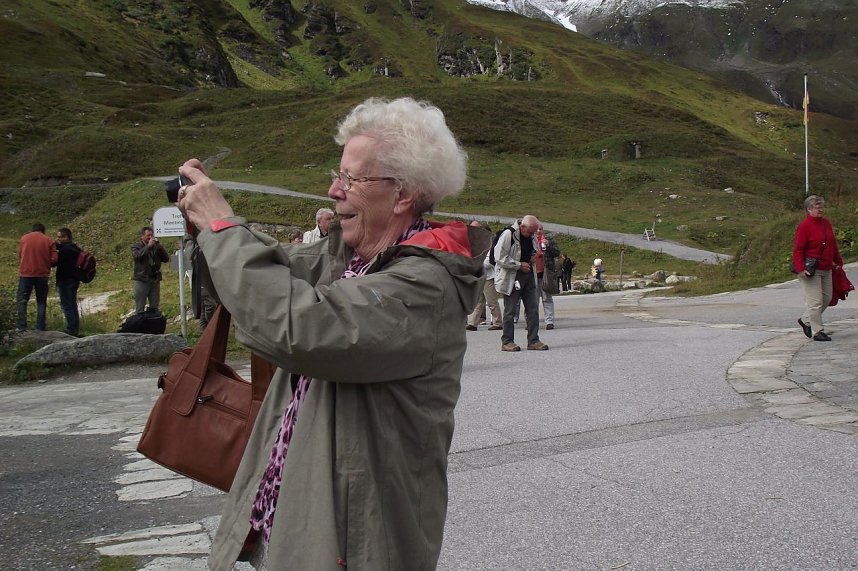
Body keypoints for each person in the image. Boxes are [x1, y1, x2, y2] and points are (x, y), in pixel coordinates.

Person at [176, 96, 487, 570]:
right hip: (303, 520)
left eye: (350, 178)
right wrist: (208, 223)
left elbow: (297, 325)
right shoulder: (349, 261)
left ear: (402, 194)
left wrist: (220, 226)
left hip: (355, 542)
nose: (333, 190)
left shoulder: (422, 287)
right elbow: (271, 267)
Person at [494, 215, 549, 352]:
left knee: (533, 308)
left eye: (534, 232)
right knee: (510, 310)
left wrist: (533, 256)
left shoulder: (531, 235)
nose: (532, 235)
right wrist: (519, 265)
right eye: (530, 232)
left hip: (529, 274)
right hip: (513, 276)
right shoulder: (508, 235)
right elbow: (499, 257)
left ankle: (533, 340)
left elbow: (535, 249)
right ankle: (507, 341)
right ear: (522, 226)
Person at [794, 194, 843, 342]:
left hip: (826, 267)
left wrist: (838, 260)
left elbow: (832, 243)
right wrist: (801, 269)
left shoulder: (826, 223)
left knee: (827, 298)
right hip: (811, 270)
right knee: (815, 302)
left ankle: (805, 320)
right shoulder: (804, 226)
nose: (821, 209)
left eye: (822, 206)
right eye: (817, 207)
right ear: (809, 209)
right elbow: (798, 250)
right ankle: (818, 331)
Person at [17, 223, 58, 331]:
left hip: (26, 274)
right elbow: (54, 259)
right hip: (42, 274)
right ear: (43, 230)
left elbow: (20, 255)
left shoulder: (24, 238)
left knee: (22, 301)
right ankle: (40, 327)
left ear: (32, 230)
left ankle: (22, 327)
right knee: (41, 301)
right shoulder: (49, 240)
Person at [466, 223, 502, 331]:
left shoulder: (492, 246)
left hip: (488, 276)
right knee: (478, 301)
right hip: (479, 276)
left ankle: (498, 321)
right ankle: (473, 323)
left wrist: (478, 264)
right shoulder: (479, 245)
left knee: (491, 301)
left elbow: (491, 261)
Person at [131, 226, 170, 314]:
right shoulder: (136, 246)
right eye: (148, 235)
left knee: (154, 306)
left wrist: (160, 247)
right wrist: (148, 246)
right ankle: (140, 325)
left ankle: (152, 324)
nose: (150, 237)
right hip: (142, 279)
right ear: (142, 236)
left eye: (151, 235)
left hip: (154, 279)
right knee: (140, 306)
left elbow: (166, 259)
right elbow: (137, 256)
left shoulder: (156, 247)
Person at [55, 227, 82, 336]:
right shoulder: (74, 248)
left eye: (60, 237)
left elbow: (56, 262)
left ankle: (71, 328)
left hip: (65, 280)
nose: (59, 239)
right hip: (74, 279)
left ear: (66, 237)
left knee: (66, 305)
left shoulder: (65, 250)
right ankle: (75, 328)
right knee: (72, 304)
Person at [534, 225, 560, 330]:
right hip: (532, 273)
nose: (538, 231)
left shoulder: (548, 239)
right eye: (536, 229)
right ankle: (531, 321)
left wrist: (548, 246)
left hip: (546, 272)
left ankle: (549, 321)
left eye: (540, 229)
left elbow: (557, 253)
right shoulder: (529, 240)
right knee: (532, 300)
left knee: (546, 298)